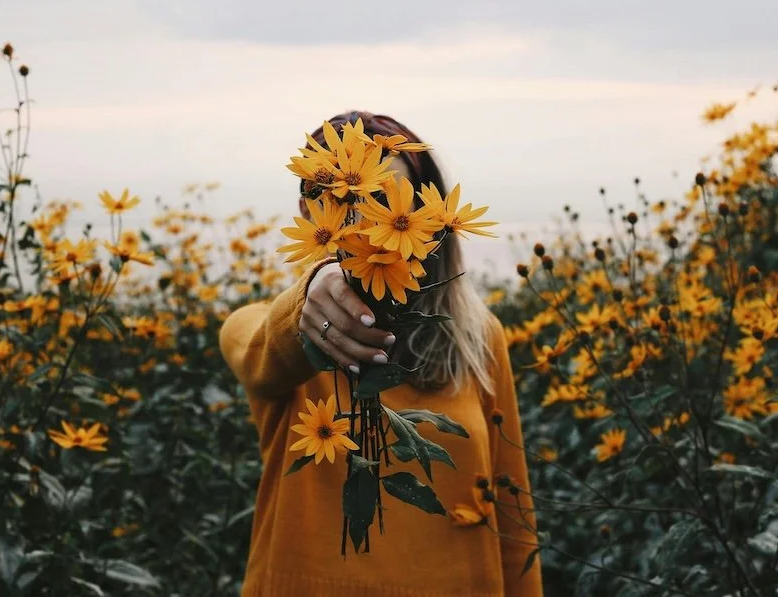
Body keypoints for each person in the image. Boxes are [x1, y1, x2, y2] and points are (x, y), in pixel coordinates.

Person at [219, 111, 543, 597]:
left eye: (388, 198)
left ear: (427, 214)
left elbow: (514, 514)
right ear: (310, 211)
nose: (370, 220)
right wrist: (314, 295)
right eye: (353, 199)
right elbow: (252, 349)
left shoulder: (477, 336)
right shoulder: (286, 333)